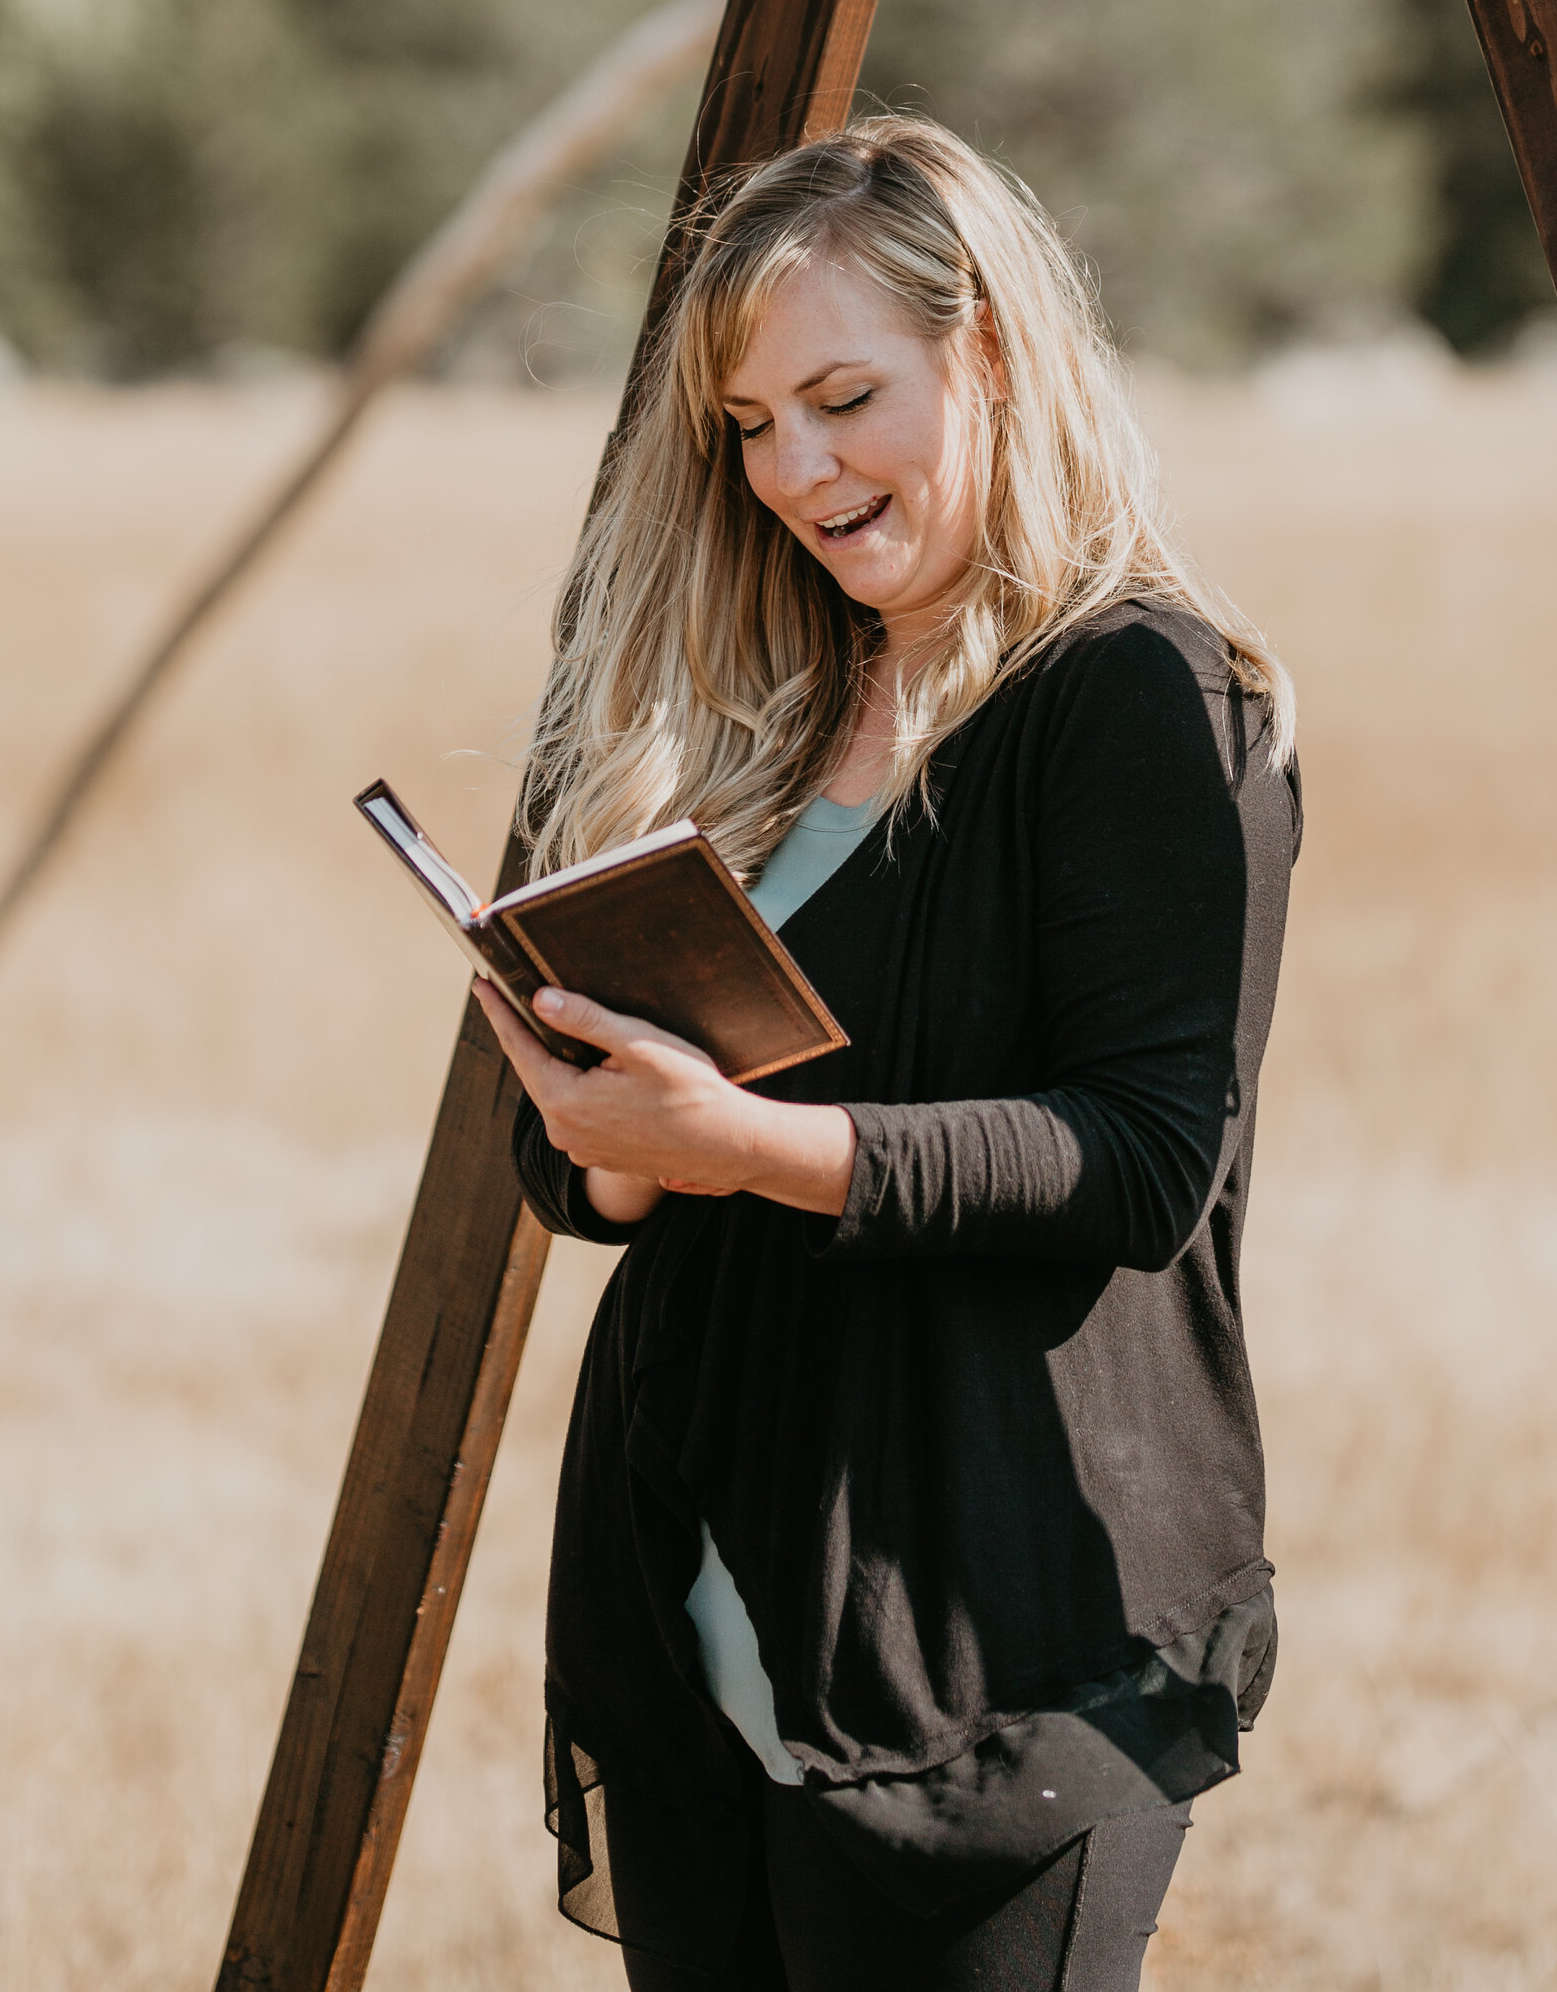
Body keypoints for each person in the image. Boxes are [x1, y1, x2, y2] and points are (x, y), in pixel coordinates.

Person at [483, 116, 1301, 1992]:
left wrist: (742, 1142)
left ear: (994, 351)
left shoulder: (1143, 696)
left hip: (995, 1646)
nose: (796, 468)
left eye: (845, 396)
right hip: (700, 1601)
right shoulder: (766, 705)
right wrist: (611, 1133)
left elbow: (1145, 1154)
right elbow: (608, 1176)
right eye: (753, 424)